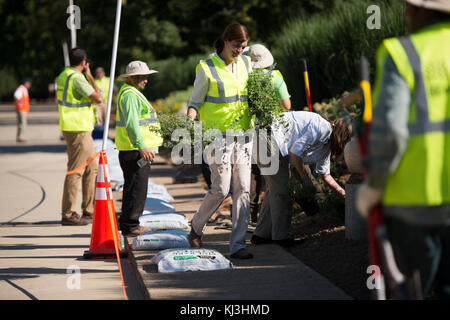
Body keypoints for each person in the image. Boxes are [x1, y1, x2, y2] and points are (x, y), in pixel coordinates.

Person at [356, 0, 450, 299]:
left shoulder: (403, 53)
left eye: (408, 8)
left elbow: (392, 135)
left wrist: (374, 187)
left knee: (416, 288)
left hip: (415, 204)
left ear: (423, 11)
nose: (404, 15)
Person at [187, 23, 254, 259]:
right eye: (236, 46)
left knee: (244, 189)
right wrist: (189, 122)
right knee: (221, 189)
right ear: (226, 41)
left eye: (243, 47)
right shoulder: (206, 68)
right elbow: (195, 102)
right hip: (217, 138)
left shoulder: (246, 63)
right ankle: (196, 227)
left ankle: (238, 245)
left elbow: (251, 95)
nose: (239, 51)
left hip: (244, 136)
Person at [251, 111, 351, 246]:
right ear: (342, 138)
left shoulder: (327, 144)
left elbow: (325, 174)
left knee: (276, 189)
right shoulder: (322, 128)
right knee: (282, 190)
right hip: (267, 137)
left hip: (270, 140)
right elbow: (295, 151)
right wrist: (305, 179)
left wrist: (342, 193)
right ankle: (281, 237)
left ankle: (261, 235)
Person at [243, 44, 292, 223]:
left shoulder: (244, 77)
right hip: (271, 133)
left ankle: (250, 215)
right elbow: (287, 106)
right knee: (276, 179)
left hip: (247, 131)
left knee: (252, 174)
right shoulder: (275, 76)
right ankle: (272, 224)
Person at [115, 61, 163, 237]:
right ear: (133, 78)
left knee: (136, 187)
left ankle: (129, 223)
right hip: (134, 151)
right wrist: (142, 146)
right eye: (143, 77)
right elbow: (132, 124)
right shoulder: (130, 96)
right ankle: (130, 225)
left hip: (134, 150)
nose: (146, 81)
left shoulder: (131, 93)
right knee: (136, 188)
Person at [57, 47, 103, 225]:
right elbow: (98, 97)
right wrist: (90, 76)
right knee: (76, 170)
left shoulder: (64, 74)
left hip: (75, 127)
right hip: (78, 129)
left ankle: (88, 210)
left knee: (92, 168)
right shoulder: (77, 78)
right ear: (84, 63)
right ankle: (67, 214)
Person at [13, 78, 32, 143]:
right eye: (29, 83)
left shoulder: (24, 89)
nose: (29, 85)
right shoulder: (21, 89)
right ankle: (21, 137)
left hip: (23, 109)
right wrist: (19, 104)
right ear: (26, 83)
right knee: (22, 123)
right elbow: (16, 96)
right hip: (21, 109)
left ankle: (20, 137)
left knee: (22, 123)